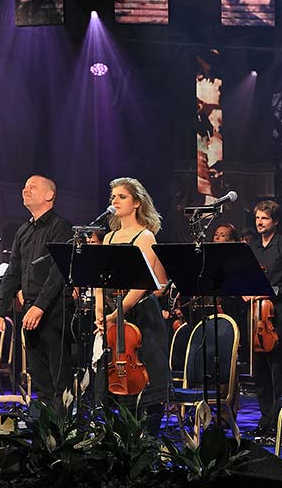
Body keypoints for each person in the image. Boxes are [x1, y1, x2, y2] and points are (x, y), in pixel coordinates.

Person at [0, 175, 74, 411]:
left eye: (32, 187)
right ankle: (45, 433)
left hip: (55, 310)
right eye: (24, 186)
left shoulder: (61, 226)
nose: (25, 190)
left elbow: (59, 270)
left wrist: (40, 305)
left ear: (49, 195)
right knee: (39, 378)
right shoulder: (23, 230)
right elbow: (12, 273)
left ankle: (62, 434)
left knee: (59, 379)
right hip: (29, 310)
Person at [94, 177, 170, 435]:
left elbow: (143, 282)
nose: (115, 200)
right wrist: (100, 314)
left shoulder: (145, 236)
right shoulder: (109, 238)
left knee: (145, 374)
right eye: (113, 196)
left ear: (137, 203)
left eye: (122, 196)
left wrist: (117, 312)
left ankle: (147, 438)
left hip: (140, 314)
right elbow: (99, 281)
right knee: (112, 374)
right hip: (113, 312)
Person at [245, 200, 282, 442]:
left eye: (264, 218)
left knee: (278, 371)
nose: (259, 222)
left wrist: (270, 291)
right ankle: (264, 421)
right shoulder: (253, 248)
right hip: (256, 316)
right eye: (257, 218)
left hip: (278, 314)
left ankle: (277, 424)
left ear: (275, 221)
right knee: (260, 373)